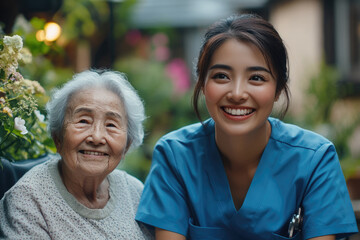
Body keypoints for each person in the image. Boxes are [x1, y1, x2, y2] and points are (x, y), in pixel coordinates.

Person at [135, 14, 359, 240]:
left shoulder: (315, 160)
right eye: (221, 76)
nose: (237, 93)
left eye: (257, 78)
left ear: (279, 89)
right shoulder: (175, 157)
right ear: (202, 83)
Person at [0, 70, 154, 239]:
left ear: (127, 145)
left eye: (111, 125)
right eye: (83, 121)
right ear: (58, 137)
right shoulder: (27, 200)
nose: (96, 137)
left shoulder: (135, 192)